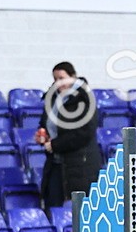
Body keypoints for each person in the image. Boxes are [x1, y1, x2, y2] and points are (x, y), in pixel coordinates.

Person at [38, 62, 101, 209]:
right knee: (52, 206)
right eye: (55, 79)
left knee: (80, 211)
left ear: (73, 77)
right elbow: (45, 123)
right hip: (56, 163)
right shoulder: (52, 98)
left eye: (62, 78)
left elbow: (84, 132)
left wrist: (55, 145)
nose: (58, 83)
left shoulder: (85, 99)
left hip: (80, 164)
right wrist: (43, 135)